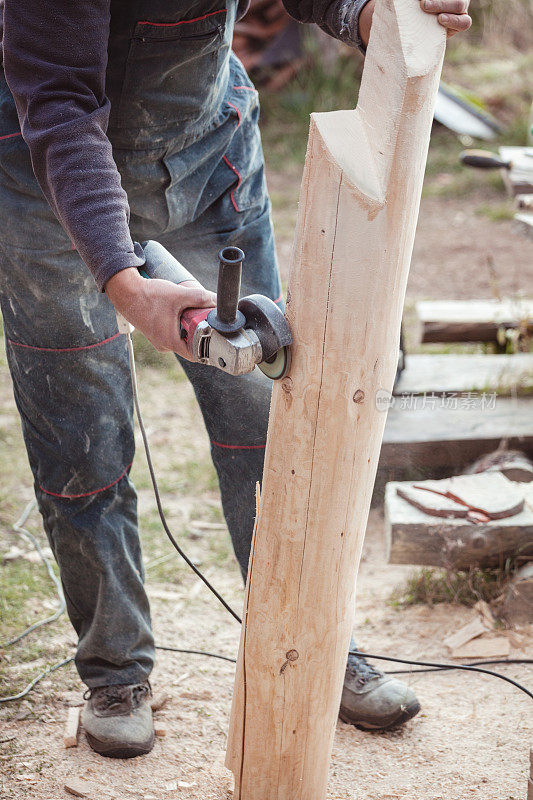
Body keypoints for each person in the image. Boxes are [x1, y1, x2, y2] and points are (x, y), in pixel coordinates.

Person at [0, 0, 471, 759]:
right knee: (81, 437)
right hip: (46, 178)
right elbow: (57, 100)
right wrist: (123, 282)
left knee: (267, 410)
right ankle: (114, 671)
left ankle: (310, 645)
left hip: (204, 155)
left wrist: (363, 13)